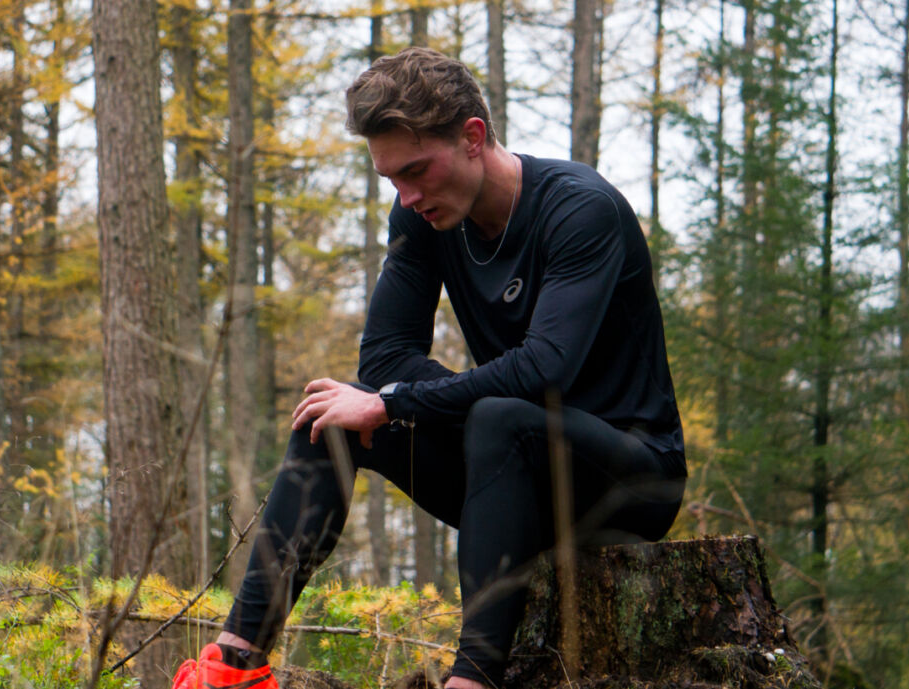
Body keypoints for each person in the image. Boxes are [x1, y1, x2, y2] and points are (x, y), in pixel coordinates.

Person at [173, 47, 687, 689]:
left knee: (496, 416)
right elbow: (384, 358)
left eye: (416, 171)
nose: (408, 196)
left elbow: (546, 371)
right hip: (508, 474)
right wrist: (390, 400)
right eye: (392, 180)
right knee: (331, 417)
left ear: (473, 138)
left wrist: (397, 402)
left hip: (631, 481)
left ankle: (471, 681)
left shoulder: (580, 209)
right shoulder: (423, 218)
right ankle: (234, 666)